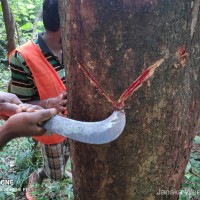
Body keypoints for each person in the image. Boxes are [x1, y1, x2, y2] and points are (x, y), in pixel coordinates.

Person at [9, 0, 69, 199]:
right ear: (66, 21)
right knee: (56, 173)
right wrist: (48, 103)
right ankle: (39, 175)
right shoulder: (24, 57)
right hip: (51, 127)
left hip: (76, 123)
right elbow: (19, 105)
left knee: (66, 157)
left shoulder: (78, 47)